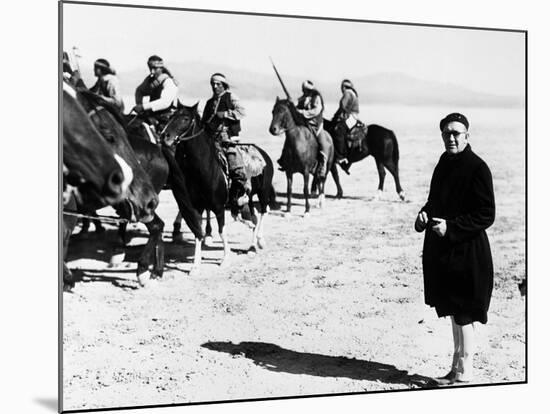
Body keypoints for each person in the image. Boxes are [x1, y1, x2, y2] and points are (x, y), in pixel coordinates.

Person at [414, 112, 495, 385]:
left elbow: (487, 214)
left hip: (469, 252)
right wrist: (425, 214)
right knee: (453, 312)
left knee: (464, 313)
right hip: (445, 253)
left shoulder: (477, 167)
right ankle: (455, 369)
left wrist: (452, 227)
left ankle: (464, 373)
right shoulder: (443, 163)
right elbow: (435, 200)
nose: (451, 137)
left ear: (467, 136)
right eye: (446, 133)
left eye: (456, 133)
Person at [201, 73, 248, 204]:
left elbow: (242, 112)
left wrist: (226, 114)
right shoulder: (209, 102)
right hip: (212, 138)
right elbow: (204, 121)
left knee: (234, 164)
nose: (215, 87)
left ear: (224, 85)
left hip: (228, 137)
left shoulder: (231, 97)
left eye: (218, 84)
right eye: (213, 84)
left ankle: (239, 193)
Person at [132, 55, 179, 136]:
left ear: (161, 68)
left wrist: (143, 107)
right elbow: (139, 91)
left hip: (165, 118)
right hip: (152, 115)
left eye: (155, 69)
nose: (152, 71)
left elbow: (165, 102)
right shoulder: (150, 80)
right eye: (150, 68)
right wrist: (139, 105)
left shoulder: (168, 82)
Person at [294, 80, 330, 178]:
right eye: (304, 90)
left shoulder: (317, 98)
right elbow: (296, 107)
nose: (305, 91)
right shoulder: (302, 99)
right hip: (303, 123)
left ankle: (323, 164)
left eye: (306, 90)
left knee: (322, 142)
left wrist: (302, 112)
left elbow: (316, 110)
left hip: (315, 124)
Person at [332, 79, 362, 172]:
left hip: (351, 116)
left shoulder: (347, 93)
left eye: (342, 87)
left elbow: (343, 107)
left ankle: (341, 157)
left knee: (338, 130)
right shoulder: (352, 93)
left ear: (343, 87)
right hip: (353, 115)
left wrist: (336, 116)